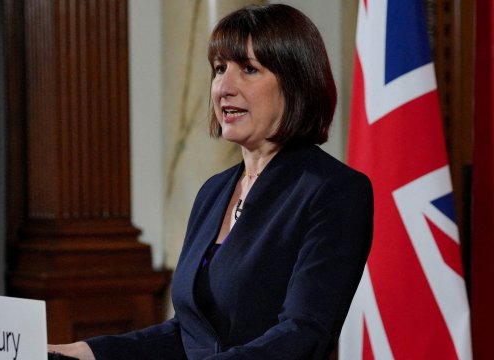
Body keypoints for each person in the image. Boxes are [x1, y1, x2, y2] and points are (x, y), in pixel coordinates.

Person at [49, 3, 373, 359]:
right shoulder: (214, 192)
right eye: (220, 69)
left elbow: (303, 333)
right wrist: (87, 352)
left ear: (295, 82)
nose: (224, 87)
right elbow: (187, 334)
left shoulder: (333, 190)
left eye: (249, 70)